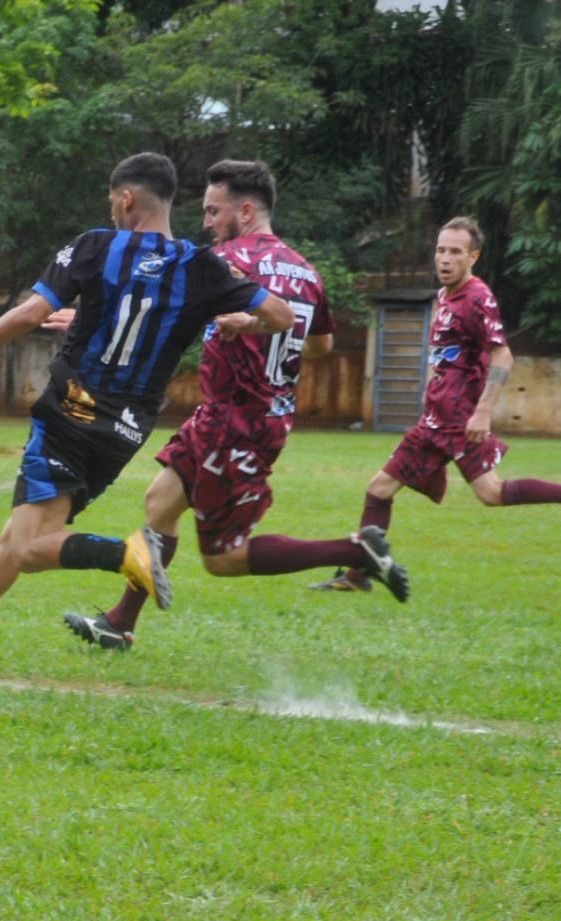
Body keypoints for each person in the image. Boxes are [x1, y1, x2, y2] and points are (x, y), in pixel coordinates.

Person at [0, 152, 293, 672]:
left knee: (32, 547)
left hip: (68, 414)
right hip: (124, 434)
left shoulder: (96, 247)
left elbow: (31, 313)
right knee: (16, 540)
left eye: (113, 203)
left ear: (126, 199)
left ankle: (128, 554)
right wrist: (239, 319)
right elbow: (280, 315)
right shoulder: (201, 266)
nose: (112, 212)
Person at [61, 159, 407, 651]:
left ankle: (357, 550)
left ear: (244, 211)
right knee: (160, 502)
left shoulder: (224, 262)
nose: (205, 222)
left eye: (212, 210)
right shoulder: (306, 271)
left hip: (237, 421)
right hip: (248, 417)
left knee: (223, 558)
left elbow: (158, 307)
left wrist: (84, 318)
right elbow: (321, 347)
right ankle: (120, 622)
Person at [313, 216, 561, 594]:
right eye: (441, 250)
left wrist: (482, 411)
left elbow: (503, 356)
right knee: (400, 489)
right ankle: (359, 576)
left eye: (455, 252)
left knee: (461, 493)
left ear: (472, 256)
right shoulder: (445, 297)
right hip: (436, 419)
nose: (445, 258)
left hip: (458, 421)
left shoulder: (477, 297)